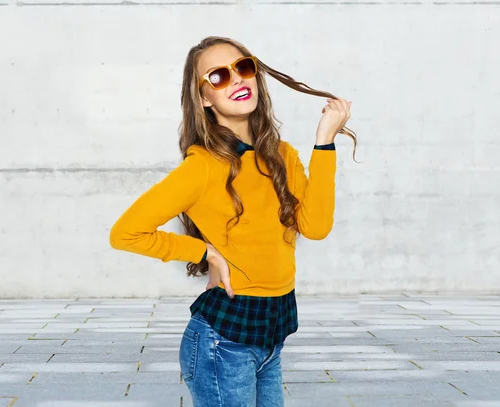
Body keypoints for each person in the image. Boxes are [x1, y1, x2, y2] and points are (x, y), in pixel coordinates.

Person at [109, 36, 356, 407]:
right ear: (204, 98)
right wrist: (203, 251)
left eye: (243, 68)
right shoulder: (202, 167)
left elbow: (316, 226)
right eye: (218, 76)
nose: (237, 80)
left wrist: (324, 143)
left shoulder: (282, 156)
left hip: (271, 333)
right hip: (222, 342)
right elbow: (125, 233)